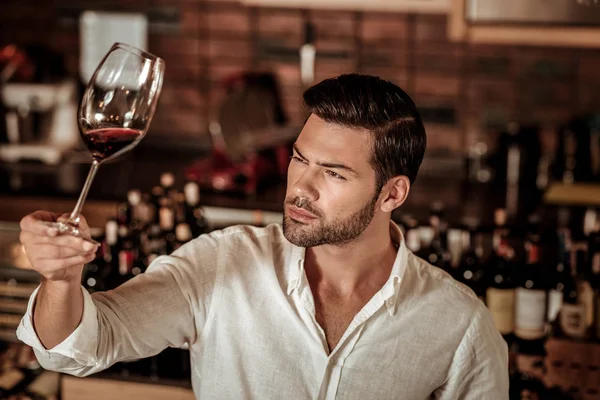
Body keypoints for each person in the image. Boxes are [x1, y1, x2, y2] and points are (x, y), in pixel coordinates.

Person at [17, 74, 508, 399]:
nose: (301, 187)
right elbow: (77, 348)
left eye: (334, 174)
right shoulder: (220, 264)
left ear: (392, 194)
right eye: (300, 158)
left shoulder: (459, 324)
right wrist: (62, 280)